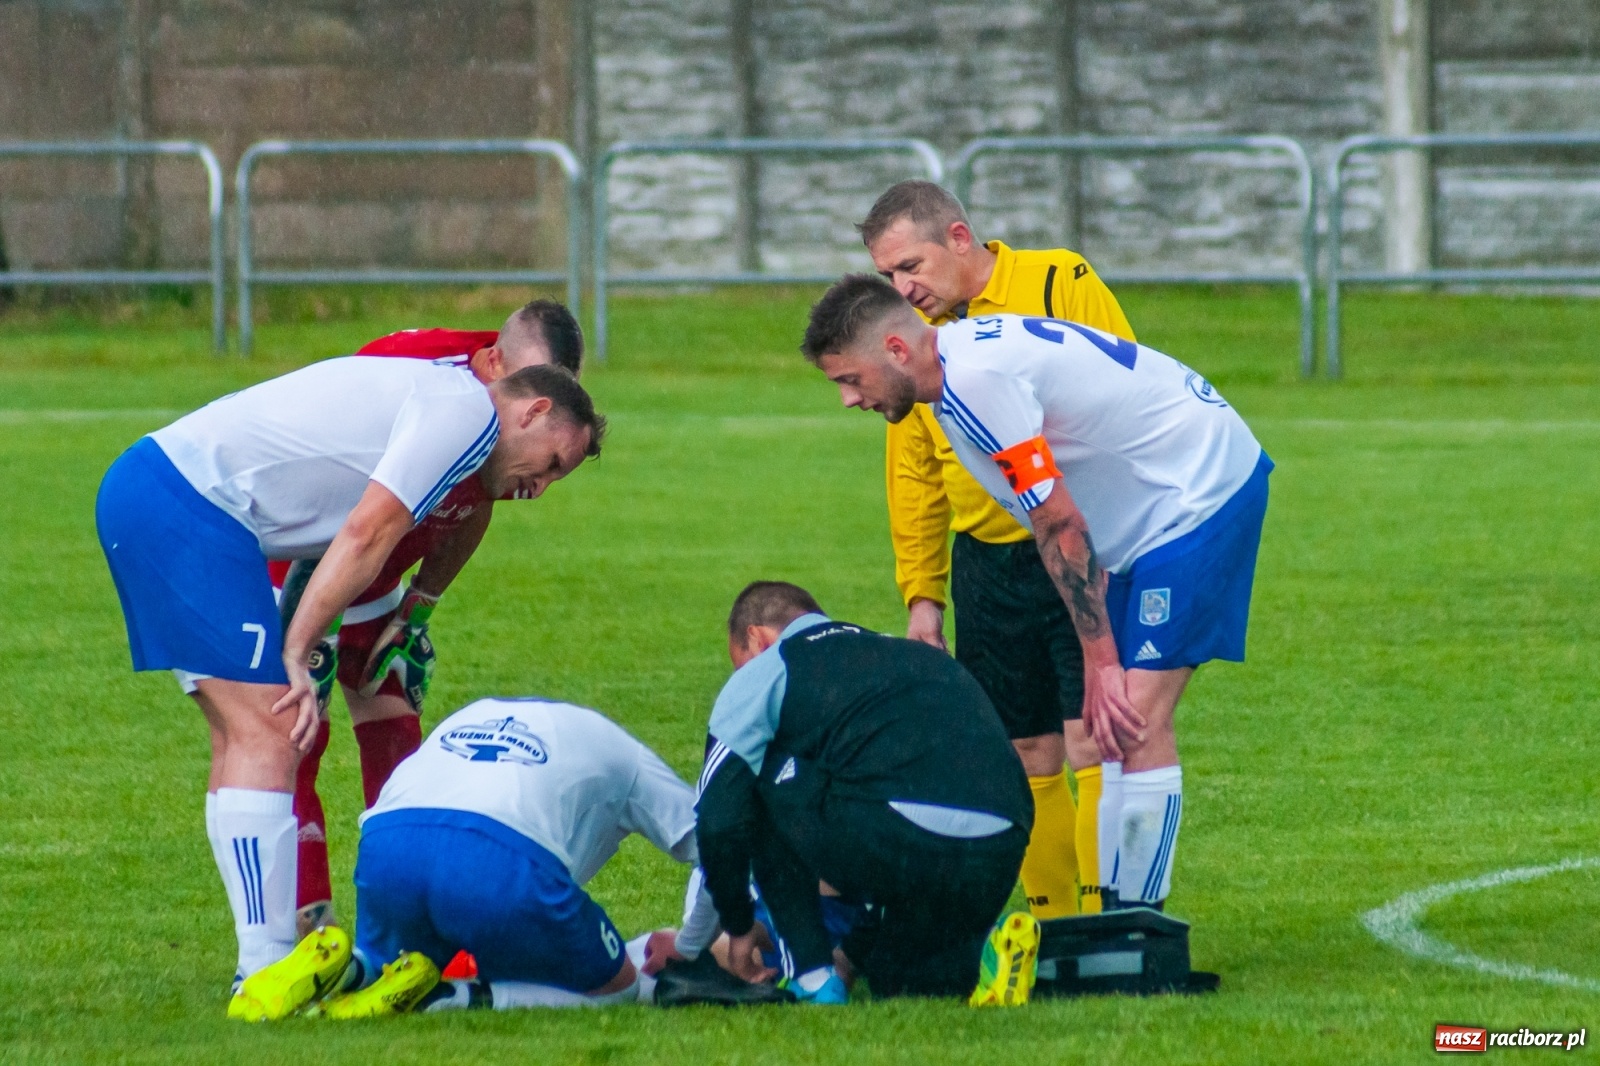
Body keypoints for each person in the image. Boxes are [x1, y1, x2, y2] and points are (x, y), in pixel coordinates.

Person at [95, 358, 606, 1016]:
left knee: (244, 736)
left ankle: (263, 960)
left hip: (167, 497)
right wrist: (299, 646)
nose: (544, 486)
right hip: (188, 505)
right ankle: (264, 967)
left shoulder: (457, 419)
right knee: (272, 730)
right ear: (532, 412)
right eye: (555, 463)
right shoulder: (466, 416)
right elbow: (368, 532)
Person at [800, 276, 1271, 914]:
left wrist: (1099, 663)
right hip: (1149, 511)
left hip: (1199, 493)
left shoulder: (975, 387)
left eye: (850, 380)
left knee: (1132, 716)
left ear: (895, 349)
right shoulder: (955, 378)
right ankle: (1112, 921)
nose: (849, 400)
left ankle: (1138, 930)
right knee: (1111, 729)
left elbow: (1060, 526)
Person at [860, 180, 1136, 918]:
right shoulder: (914, 340)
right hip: (986, 565)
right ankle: (1054, 928)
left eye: (910, 266)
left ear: (958, 237)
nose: (903, 287)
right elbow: (914, 472)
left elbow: (1124, 390)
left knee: (1094, 743)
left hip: (1074, 553)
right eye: (888, 276)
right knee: (1028, 756)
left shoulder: (1058, 280)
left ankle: (1107, 919)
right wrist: (924, 598)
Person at [275, 300, 586, 936]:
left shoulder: (521, 407)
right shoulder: (415, 372)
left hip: (379, 568)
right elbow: (333, 493)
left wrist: (419, 607)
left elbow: (476, 502)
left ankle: (408, 926)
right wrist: (314, 628)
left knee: (396, 733)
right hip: (313, 564)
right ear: (498, 363)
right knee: (295, 737)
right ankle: (303, 930)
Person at [229, 696, 715, 1021]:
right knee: (620, 988)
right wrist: (692, 945)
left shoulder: (477, 710)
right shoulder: (625, 753)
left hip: (388, 841)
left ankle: (349, 967)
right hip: (498, 858)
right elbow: (717, 845)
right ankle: (446, 1000)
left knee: (392, 964)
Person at [694, 581, 1036, 1004]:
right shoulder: (900, 649)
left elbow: (717, 818)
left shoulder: (770, 666)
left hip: (901, 835)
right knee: (901, 979)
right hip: (1003, 839)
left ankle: (814, 979)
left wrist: (739, 926)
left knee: (757, 781)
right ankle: (986, 947)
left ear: (756, 638)